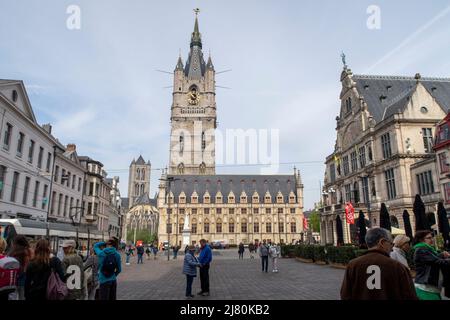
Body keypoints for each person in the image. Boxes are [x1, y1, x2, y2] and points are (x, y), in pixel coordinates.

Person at [340, 227, 417, 300]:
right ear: (382, 242)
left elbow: (345, 295)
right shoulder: (397, 266)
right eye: (391, 243)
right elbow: (409, 295)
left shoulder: (353, 265)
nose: (392, 247)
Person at [413, 230, 450, 300]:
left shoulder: (427, 249)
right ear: (421, 240)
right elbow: (437, 261)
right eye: (429, 238)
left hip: (430, 287)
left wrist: (442, 255)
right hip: (425, 288)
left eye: (432, 237)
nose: (432, 239)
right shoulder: (421, 249)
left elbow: (432, 259)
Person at [9, 235, 33, 300]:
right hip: (25, 279)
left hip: (13, 279)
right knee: (23, 297)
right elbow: (29, 265)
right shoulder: (28, 251)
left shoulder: (12, 253)